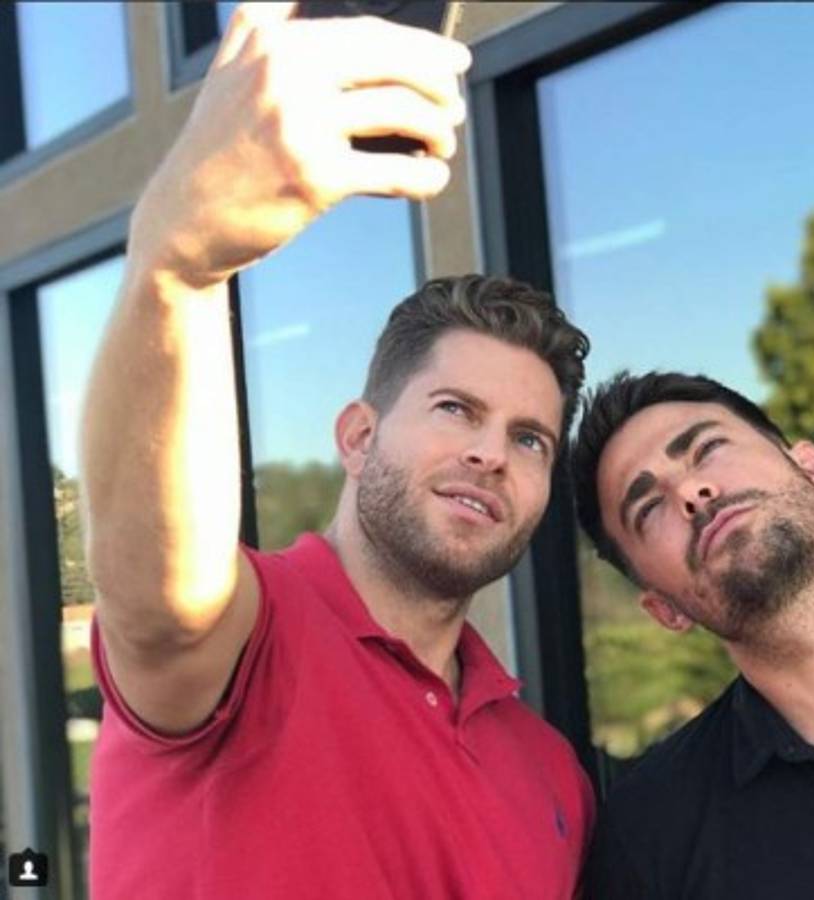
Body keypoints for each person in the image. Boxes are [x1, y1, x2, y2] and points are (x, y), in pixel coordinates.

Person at [80, 4, 594, 899]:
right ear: (358, 437)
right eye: (455, 409)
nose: (490, 454)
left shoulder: (551, 773)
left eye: (528, 439)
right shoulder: (244, 639)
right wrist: (179, 263)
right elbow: (160, 603)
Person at [570, 370, 814, 899]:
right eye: (648, 508)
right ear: (665, 610)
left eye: (707, 449)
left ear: (811, 466)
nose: (690, 492)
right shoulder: (652, 833)